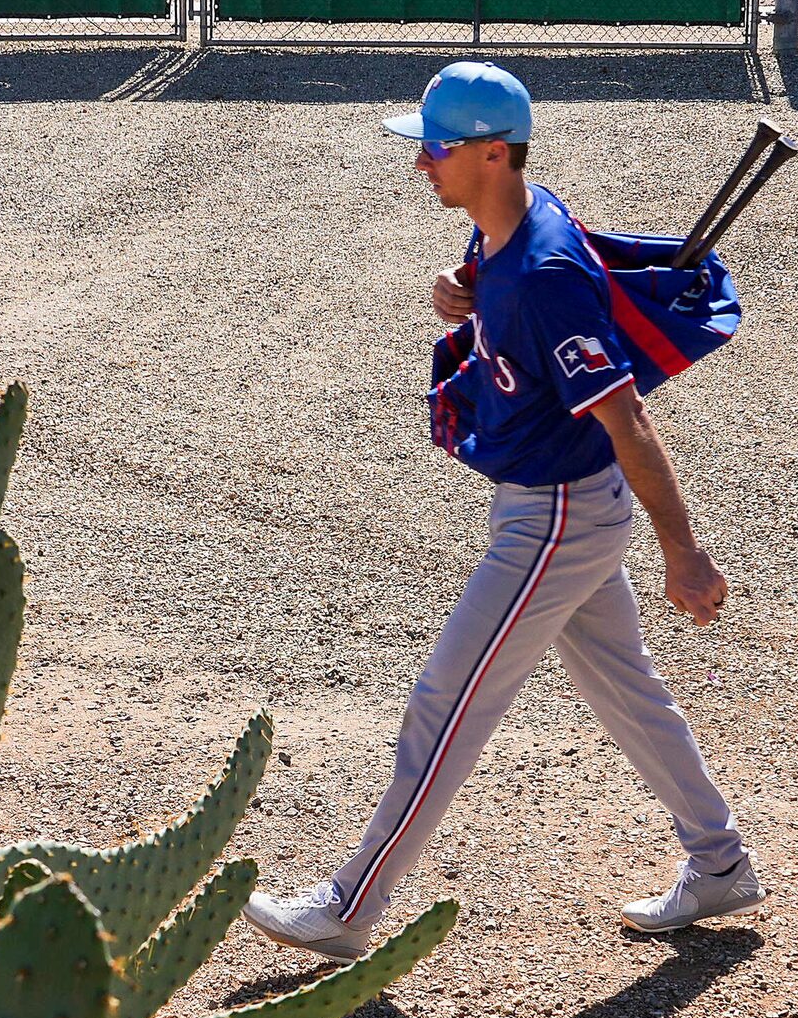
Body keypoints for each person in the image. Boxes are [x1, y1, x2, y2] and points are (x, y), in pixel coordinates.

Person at [243, 61, 763, 963]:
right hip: (563, 505)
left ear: (491, 152)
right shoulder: (517, 223)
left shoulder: (544, 273)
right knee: (622, 688)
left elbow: (626, 414)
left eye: (434, 149)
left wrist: (684, 550)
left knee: (445, 700)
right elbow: (510, 266)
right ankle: (717, 864)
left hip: (556, 516)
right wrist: (465, 278)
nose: (420, 166)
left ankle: (348, 908)